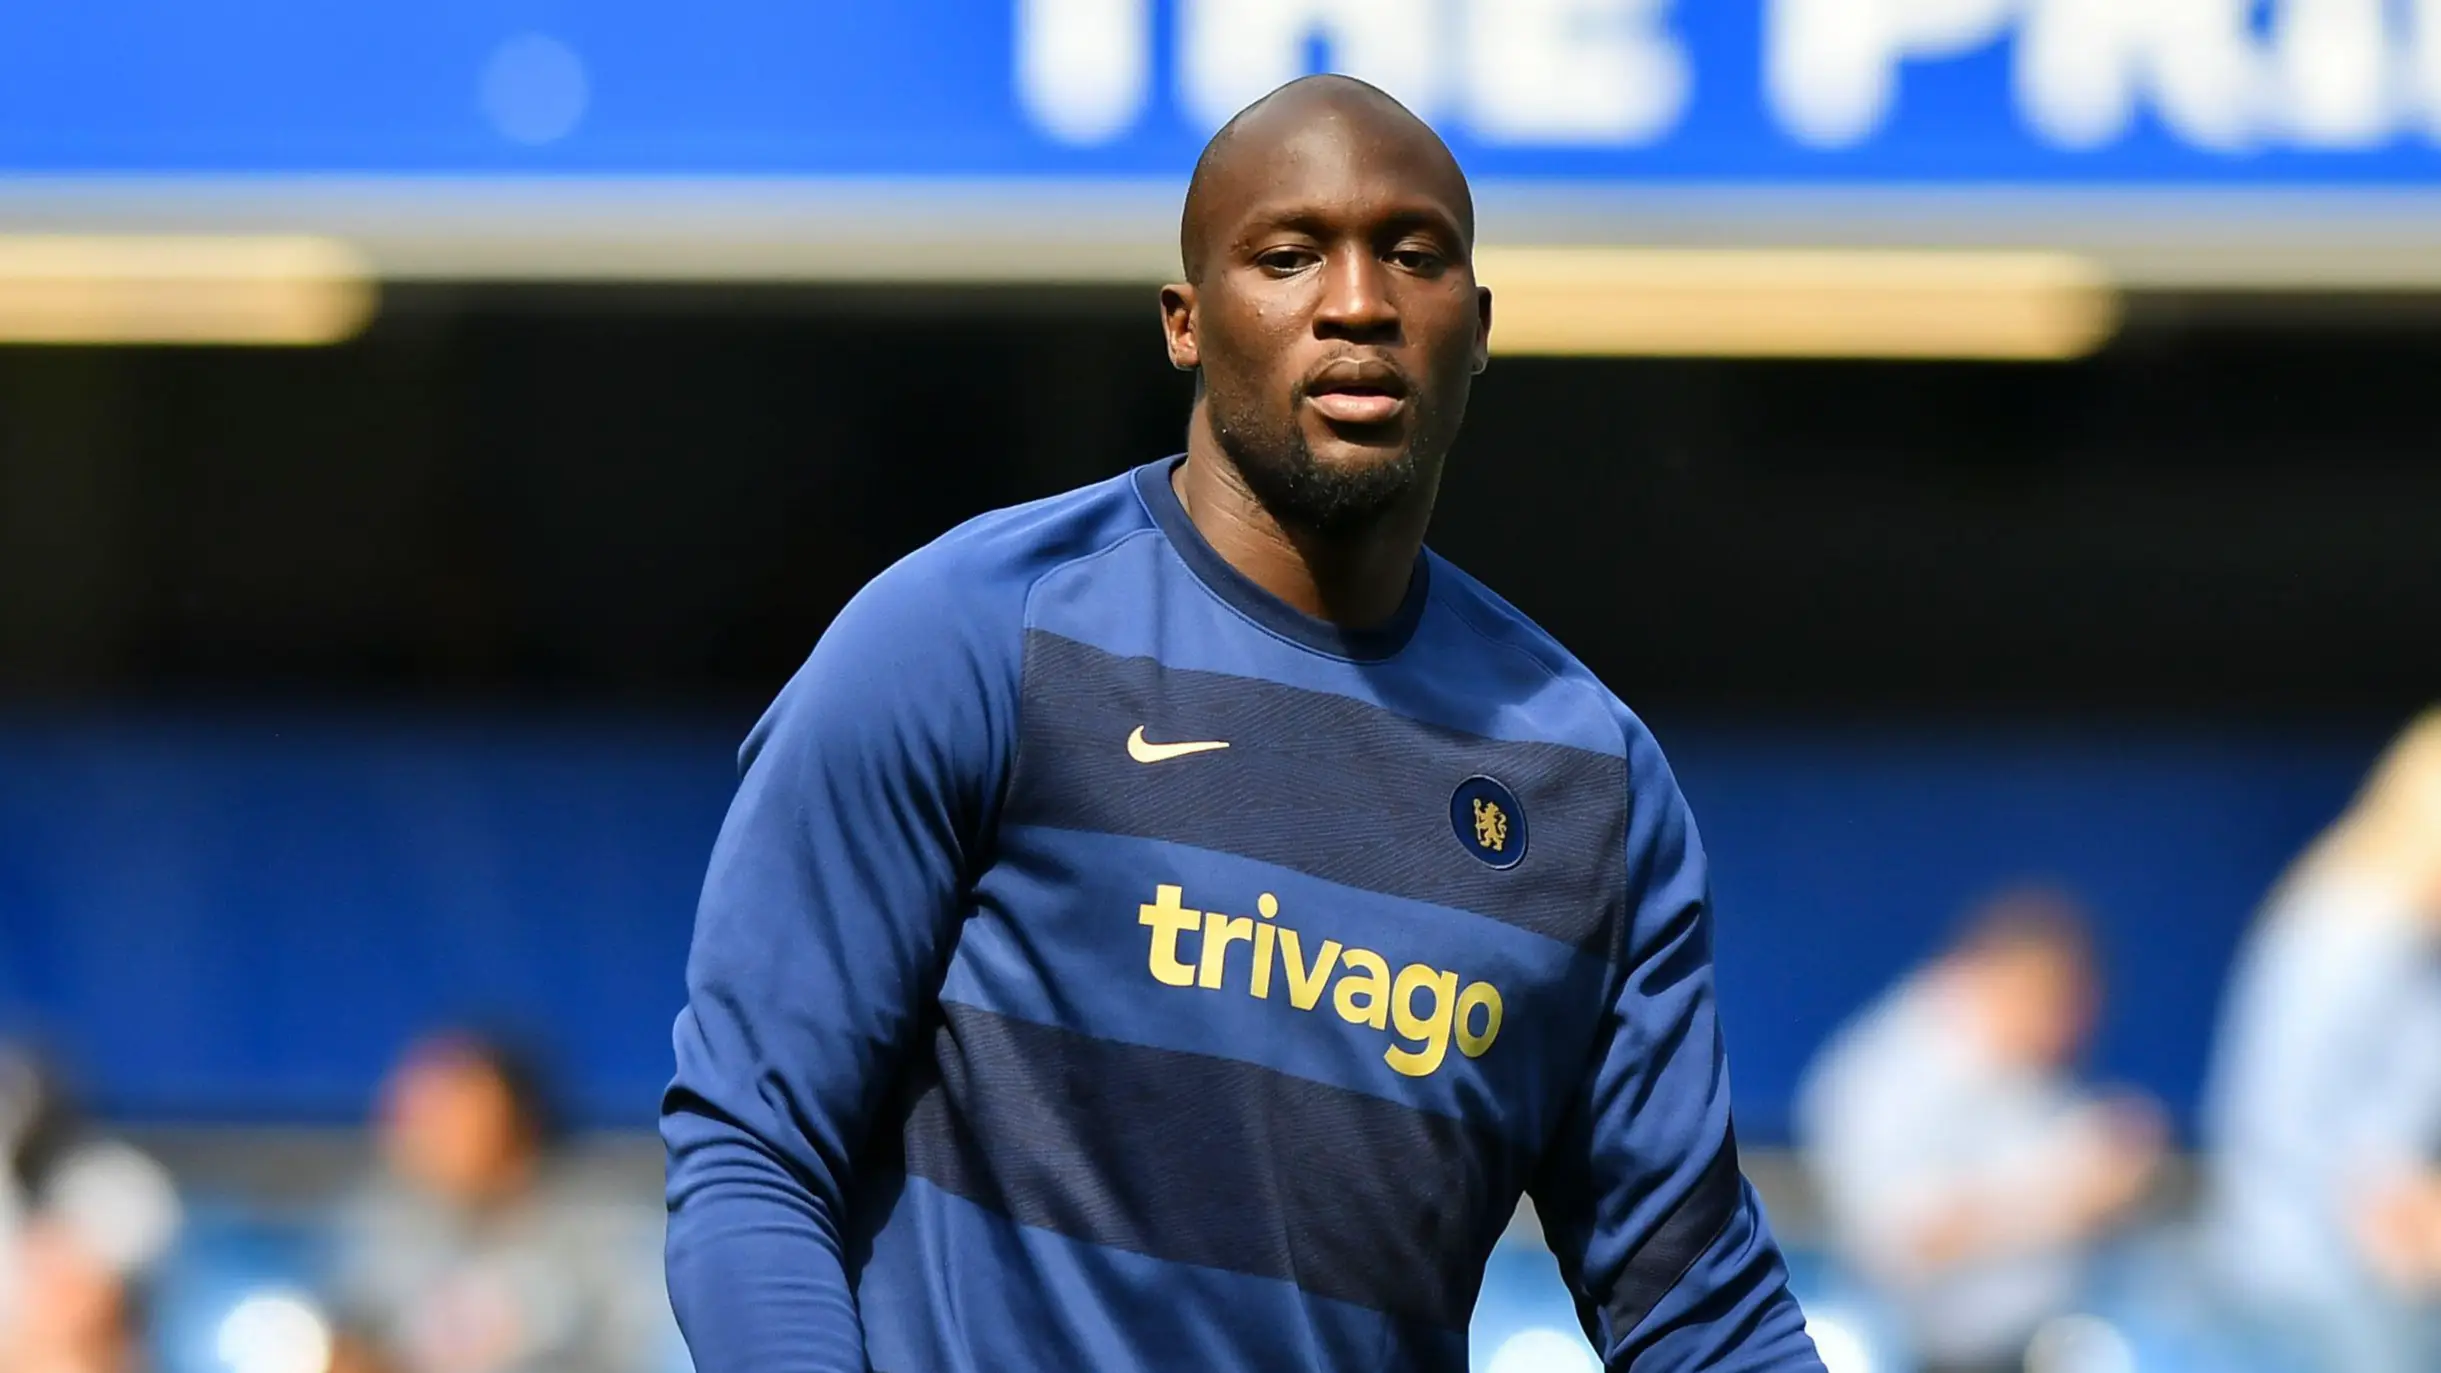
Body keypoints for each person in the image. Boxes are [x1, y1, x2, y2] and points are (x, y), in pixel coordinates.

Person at [661, 74, 1821, 1373]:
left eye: (1413, 255)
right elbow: (751, 1157)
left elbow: (1700, 1313)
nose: (1358, 303)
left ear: (1478, 326)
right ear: (1186, 321)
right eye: (1286, 256)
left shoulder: (1585, 776)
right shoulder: (969, 637)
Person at [1796, 886, 2163, 1372]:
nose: (2071, 1028)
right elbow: (1907, 1241)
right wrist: (2076, 1190)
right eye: (2058, 1002)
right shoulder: (1895, 1070)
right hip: (1923, 1357)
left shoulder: (2021, 1063)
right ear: (2006, 975)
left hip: (2039, 1341)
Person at [2200, 710, 2441, 1373]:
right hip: (2317, 1280)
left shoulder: (2412, 943)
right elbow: (2291, 1119)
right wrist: (2399, 1208)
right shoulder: (2351, 927)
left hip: (2362, 1275)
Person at [329, 1032, 659, 1373]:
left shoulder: (602, 1228)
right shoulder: (383, 1225)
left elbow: (642, 1350)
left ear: (514, 1120)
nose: (422, 1132)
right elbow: (345, 1341)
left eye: (450, 1112)